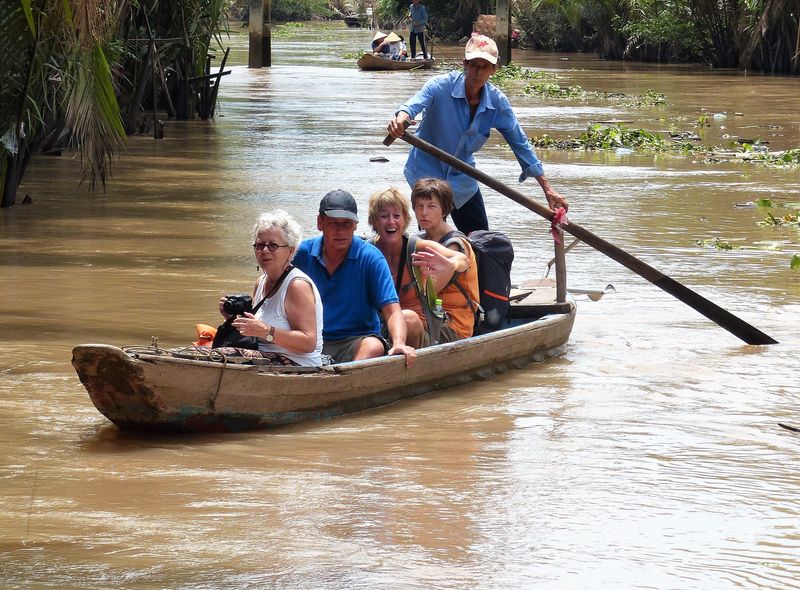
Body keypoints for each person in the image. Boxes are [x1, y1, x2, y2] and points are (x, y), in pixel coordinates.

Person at [387, 33, 569, 235]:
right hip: (427, 175)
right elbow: (412, 106)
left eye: (484, 66)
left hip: (462, 178)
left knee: (481, 239)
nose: (477, 71)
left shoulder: (497, 103)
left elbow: (520, 144)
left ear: (494, 69)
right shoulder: (439, 86)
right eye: (473, 64)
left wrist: (547, 189)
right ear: (465, 64)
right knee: (432, 237)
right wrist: (401, 120)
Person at [293, 189, 417, 367]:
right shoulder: (301, 253)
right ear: (320, 223)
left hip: (355, 342)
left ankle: (346, 381)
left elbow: (392, 311)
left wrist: (398, 343)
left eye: (347, 224)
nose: (341, 231)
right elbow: (271, 281)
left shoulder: (370, 258)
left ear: (356, 225)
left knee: (374, 346)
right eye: (333, 223)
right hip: (310, 340)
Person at [217, 210, 324, 366]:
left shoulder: (297, 286)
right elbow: (254, 332)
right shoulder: (260, 282)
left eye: (273, 245)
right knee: (202, 351)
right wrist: (232, 319)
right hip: (263, 356)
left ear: (291, 250)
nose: (265, 251)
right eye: (260, 245)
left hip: (298, 364)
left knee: (223, 354)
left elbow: (308, 343)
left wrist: (267, 331)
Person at [367, 187, 470, 347]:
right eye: (384, 216)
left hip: (420, 332)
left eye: (396, 216)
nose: (391, 222)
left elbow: (462, 259)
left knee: (406, 317)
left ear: (405, 220)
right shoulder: (367, 250)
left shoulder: (416, 247)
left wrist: (450, 264)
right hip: (379, 329)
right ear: (374, 221)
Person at [410, 178, 480, 340]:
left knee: (405, 323)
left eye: (431, 206)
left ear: (444, 210)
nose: (423, 212)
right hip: (426, 316)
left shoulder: (455, 244)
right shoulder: (418, 239)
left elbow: (425, 293)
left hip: (453, 324)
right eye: (419, 206)